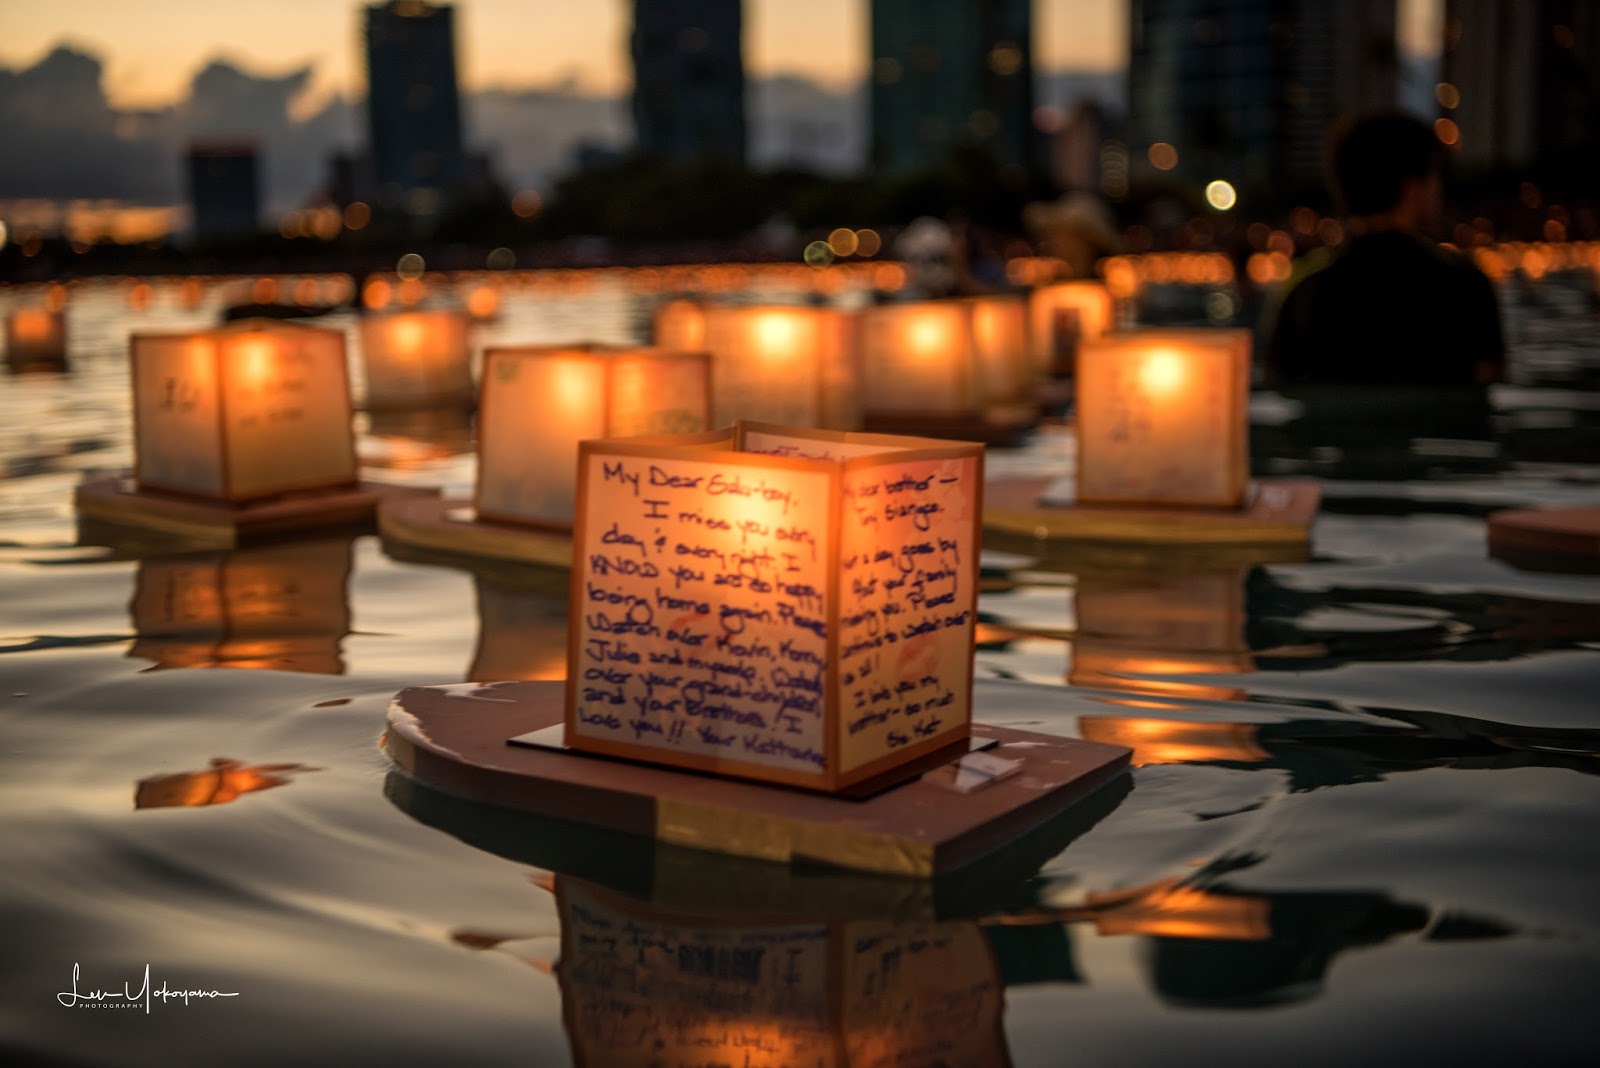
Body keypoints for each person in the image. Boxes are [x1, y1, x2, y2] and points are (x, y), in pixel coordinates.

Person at [1263, 112, 1505, 388]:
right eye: (1435, 175)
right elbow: (1487, 389)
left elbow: (1279, 382)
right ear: (1412, 188)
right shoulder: (1465, 282)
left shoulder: (1304, 288)